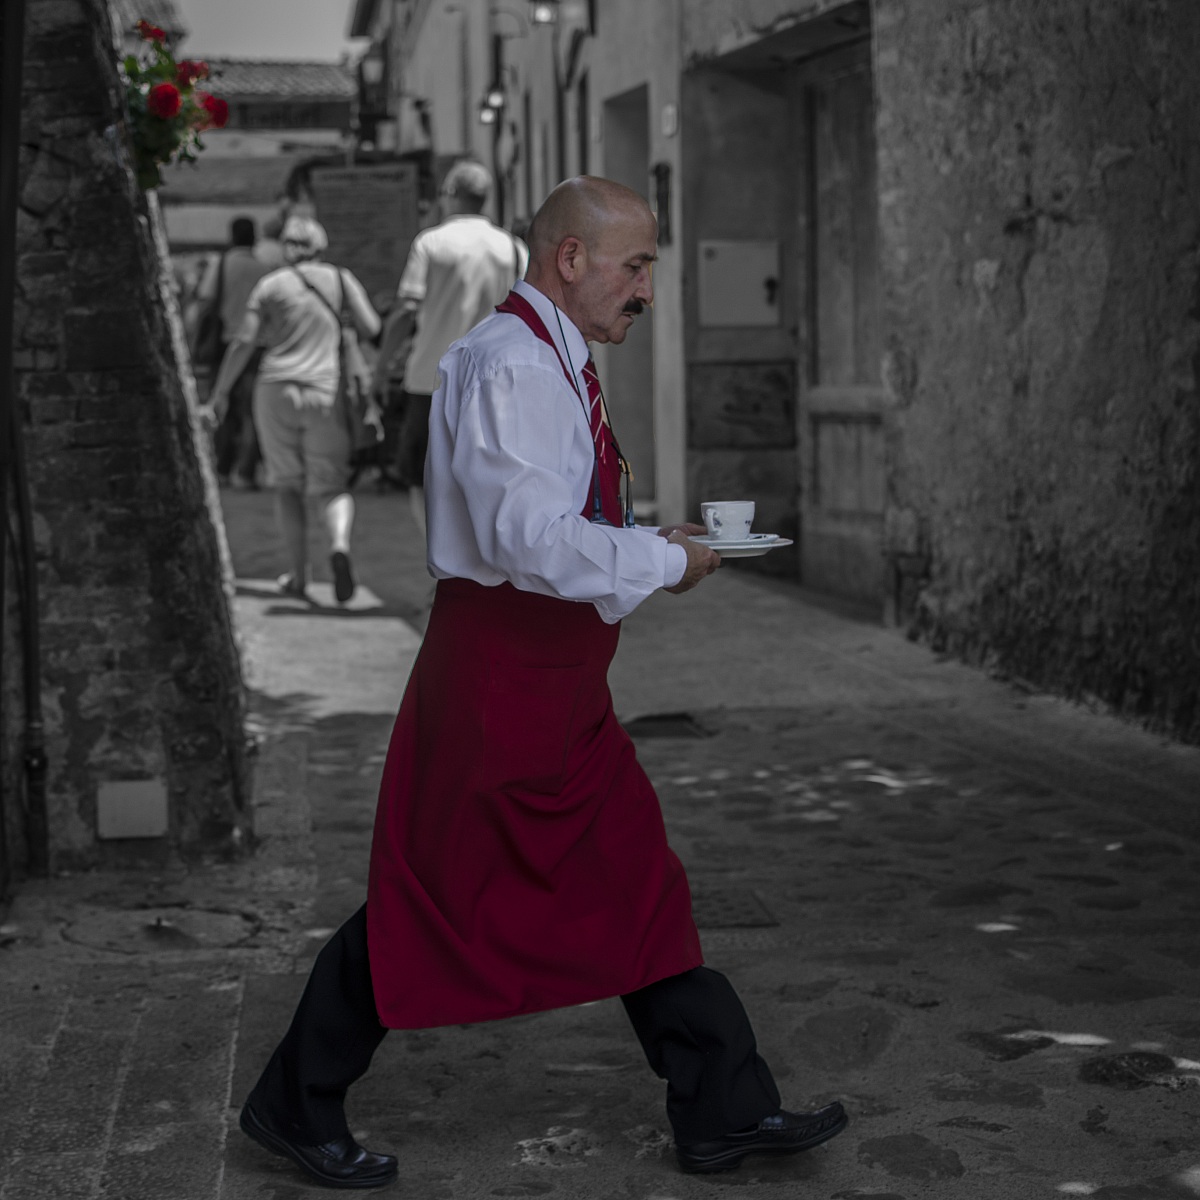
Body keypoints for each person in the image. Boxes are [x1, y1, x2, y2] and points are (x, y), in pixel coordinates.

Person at [237, 177, 848, 1190]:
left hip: (554, 682)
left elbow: (549, 522)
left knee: (638, 881)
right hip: (499, 685)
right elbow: (524, 541)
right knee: (430, 899)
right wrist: (658, 564)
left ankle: (722, 1111)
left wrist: (655, 543)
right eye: (636, 265)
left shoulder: (552, 357)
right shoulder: (514, 366)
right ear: (571, 260)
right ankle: (293, 1101)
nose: (646, 289)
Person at [202, 216, 381, 604]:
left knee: (287, 486)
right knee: (330, 485)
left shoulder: (271, 284)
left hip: (274, 390)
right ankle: (339, 546)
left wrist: (220, 395)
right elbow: (371, 326)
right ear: (321, 244)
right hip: (325, 391)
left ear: (286, 247)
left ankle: (300, 577)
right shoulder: (340, 278)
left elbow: (244, 341)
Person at [372, 159, 528, 532]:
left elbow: (408, 309)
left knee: (422, 479)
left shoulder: (431, 242)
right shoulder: (513, 247)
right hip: (496, 385)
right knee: (491, 479)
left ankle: (443, 568)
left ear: (451, 195)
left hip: (433, 381)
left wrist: (381, 367)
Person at [189, 216, 271, 488]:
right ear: (254, 237)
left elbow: (205, 302)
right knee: (251, 413)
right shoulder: (263, 270)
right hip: (258, 346)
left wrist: (194, 340)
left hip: (226, 345)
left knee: (220, 405)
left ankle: (222, 467)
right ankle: (245, 472)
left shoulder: (221, 265)